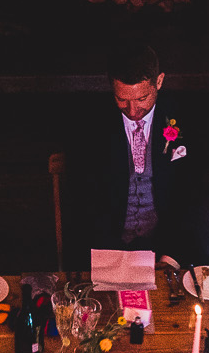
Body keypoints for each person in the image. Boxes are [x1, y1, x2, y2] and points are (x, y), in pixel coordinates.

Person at [69, 40, 198, 271]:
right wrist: (114, 261)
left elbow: (190, 199)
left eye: (141, 99)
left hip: (166, 246)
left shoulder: (184, 120)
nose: (132, 111)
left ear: (159, 81)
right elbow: (85, 204)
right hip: (106, 248)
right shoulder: (89, 126)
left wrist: (169, 258)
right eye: (122, 99)